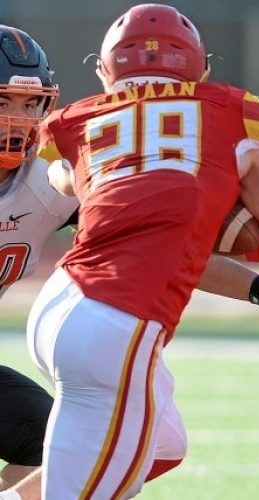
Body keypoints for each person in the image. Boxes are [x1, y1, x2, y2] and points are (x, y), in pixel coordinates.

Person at [20, 3, 259, 498]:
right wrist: (215, 212)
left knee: (161, 446)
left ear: (104, 71)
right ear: (202, 68)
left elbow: (68, 185)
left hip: (60, 306)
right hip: (117, 325)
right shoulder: (229, 108)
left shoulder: (75, 120)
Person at [0, 24, 79, 491]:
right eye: (3, 102)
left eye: (31, 104)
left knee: (54, 445)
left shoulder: (52, 178)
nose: (18, 119)